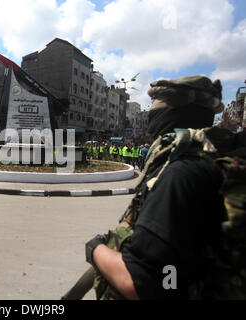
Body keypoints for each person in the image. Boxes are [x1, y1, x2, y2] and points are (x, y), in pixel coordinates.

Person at [81, 75, 243, 300]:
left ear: (172, 113)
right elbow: (173, 272)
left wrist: (95, 249)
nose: (151, 118)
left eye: (155, 110)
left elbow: (142, 282)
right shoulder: (222, 158)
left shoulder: (182, 173)